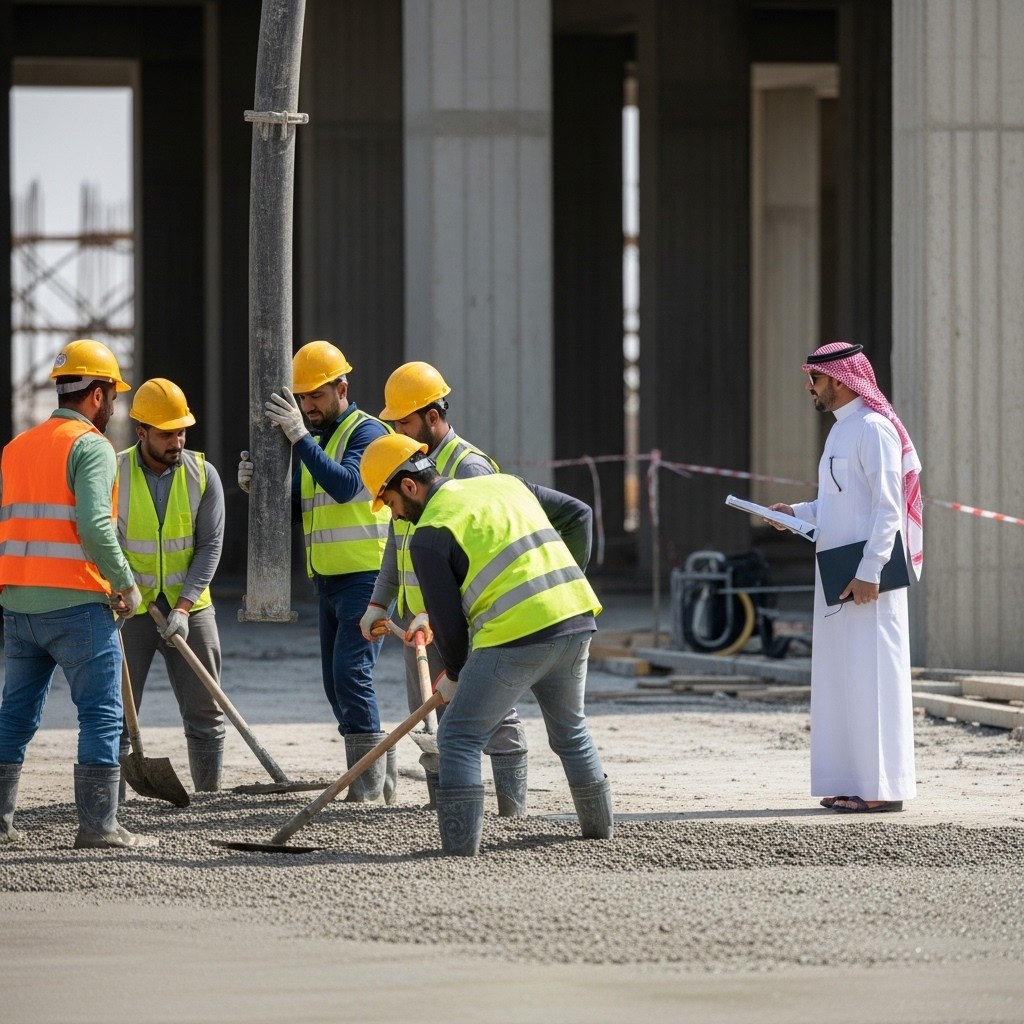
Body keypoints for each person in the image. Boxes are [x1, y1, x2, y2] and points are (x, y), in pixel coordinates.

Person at [359, 433, 613, 856]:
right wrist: (570, 581)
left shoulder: (428, 531)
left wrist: (454, 677)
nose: (394, 515)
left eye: (388, 502)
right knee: (571, 732)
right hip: (575, 620)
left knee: (457, 735)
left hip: (516, 637)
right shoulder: (506, 483)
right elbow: (578, 514)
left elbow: (449, 624)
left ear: (408, 486)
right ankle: (600, 833)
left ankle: (460, 850)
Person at [0, 339, 153, 849]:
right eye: (114, 396)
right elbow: (93, 525)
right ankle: (98, 826)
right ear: (97, 393)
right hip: (78, 606)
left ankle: (1, 822)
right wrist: (126, 585)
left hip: (19, 606)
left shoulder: (16, 448)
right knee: (100, 714)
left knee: (15, 714)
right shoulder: (90, 447)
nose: (116, 407)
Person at [360, 361, 530, 815]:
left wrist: (439, 616)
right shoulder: (406, 466)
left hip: (463, 619)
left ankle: (512, 813)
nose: (399, 432)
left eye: (406, 422)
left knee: (494, 717)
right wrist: (380, 602)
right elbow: (396, 545)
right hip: (420, 625)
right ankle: (447, 810)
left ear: (433, 417)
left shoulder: (469, 468)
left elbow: (482, 553)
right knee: (429, 722)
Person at [768, 342, 923, 814]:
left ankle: (882, 788)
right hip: (839, 576)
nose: (808, 387)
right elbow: (837, 506)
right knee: (845, 680)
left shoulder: (873, 429)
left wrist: (869, 572)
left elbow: (887, 510)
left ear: (838, 379)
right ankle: (856, 780)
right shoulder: (840, 432)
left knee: (873, 678)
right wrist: (793, 513)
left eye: (814, 379)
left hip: (866, 580)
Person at [238, 340, 393, 802]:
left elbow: (346, 486)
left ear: (342, 388)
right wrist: (261, 491)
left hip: (368, 578)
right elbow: (303, 509)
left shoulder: (369, 434)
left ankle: (366, 790)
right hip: (328, 580)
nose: (307, 407)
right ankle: (377, 780)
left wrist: (300, 439)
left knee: (350, 675)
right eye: (303, 399)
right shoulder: (318, 444)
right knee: (335, 682)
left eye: (316, 397)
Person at [115, 378, 226, 793]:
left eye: (181, 431)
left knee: (206, 713)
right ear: (141, 431)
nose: (176, 440)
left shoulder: (203, 474)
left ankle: (209, 798)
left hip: (191, 608)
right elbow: (105, 539)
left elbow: (209, 547)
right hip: (129, 609)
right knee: (119, 716)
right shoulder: (116, 472)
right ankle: (111, 806)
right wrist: (122, 589)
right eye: (166, 433)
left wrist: (183, 607)